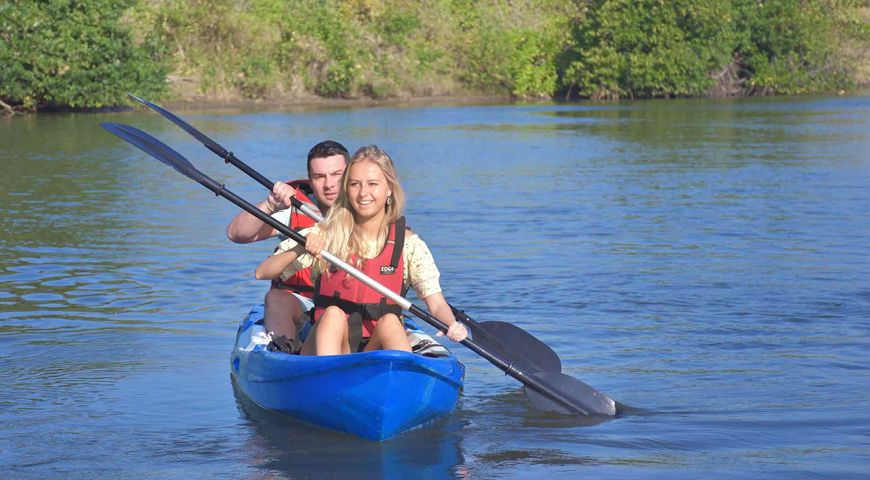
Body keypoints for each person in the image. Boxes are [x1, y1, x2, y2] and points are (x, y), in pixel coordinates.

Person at [254, 145, 467, 355]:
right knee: (334, 315)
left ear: (389, 188)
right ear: (347, 189)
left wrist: (451, 324)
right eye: (355, 184)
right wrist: (302, 246)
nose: (363, 193)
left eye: (372, 184)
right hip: (328, 349)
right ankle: (329, 378)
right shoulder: (326, 234)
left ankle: (402, 377)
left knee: (391, 321)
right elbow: (262, 272)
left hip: (373, 349)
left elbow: (436, 304)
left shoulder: (410, 245)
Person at [227, 140, 349, 352]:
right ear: (310, 179)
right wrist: (270, 205)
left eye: (337, 174)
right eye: (320, 177)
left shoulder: (366, 207)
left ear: (349, 176)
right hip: (300, 304)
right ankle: (285, 356)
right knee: (276, 298)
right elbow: (236, 234)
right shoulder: (295, 209)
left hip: (347, 305)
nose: (329, 184)